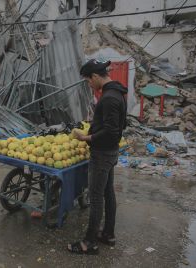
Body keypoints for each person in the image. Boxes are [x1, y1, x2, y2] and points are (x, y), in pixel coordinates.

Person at [68, 59, 127, 254]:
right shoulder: (118, 92)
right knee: (108, 192)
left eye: (87, 81)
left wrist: (85, 136)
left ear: (94, 76)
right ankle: (108, 234)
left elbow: (111, 131)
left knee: (96, 197)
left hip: (102, 154)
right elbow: (119, 126)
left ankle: (89, 242)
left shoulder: (109, 97)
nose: (89, 84)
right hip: (110, 152)